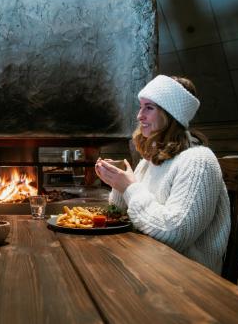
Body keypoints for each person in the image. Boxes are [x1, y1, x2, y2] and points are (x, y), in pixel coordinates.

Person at [95, 75, 230, 274]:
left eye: (149, 107)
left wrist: (129, 188)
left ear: (171, 114)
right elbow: (121, 214)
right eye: (140, 107)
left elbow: (174, 234)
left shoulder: (199, 161)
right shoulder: (149, 162)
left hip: (186, 277)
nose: (139, 116)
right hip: (147, 263)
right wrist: (117, 181)